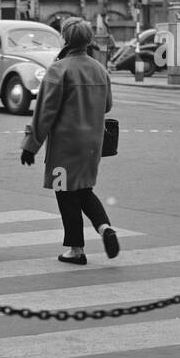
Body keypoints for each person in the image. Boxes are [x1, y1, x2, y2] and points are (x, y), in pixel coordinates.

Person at [19, 17, 120, 264]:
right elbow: (107, 105)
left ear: (65, 39)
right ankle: (105, 227)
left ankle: (76, 249)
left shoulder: (59, 70)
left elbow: (45, 113)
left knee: (65, 193)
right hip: (92, 145)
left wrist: (30, 146)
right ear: (88, 40)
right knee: (84, 190)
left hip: (65, 145)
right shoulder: (99, 69)